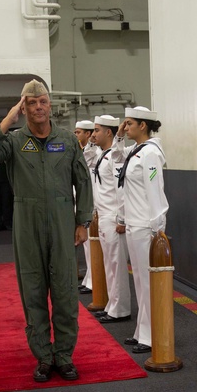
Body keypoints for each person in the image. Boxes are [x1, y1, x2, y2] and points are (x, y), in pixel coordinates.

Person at [0, 79, 93, 383]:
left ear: (49, 104)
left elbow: (82, 181)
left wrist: (82, 221)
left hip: (62, 221)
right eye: (30, 103)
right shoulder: (13, 142)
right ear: (23, 108)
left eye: (42, 101)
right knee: (33, 291)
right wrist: (7, 120)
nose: (37, 107)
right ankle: (43, 355)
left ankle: (64, 355)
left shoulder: (67, 140)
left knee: (66, 291)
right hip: (27, 224)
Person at [118, 106, 168, 354]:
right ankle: (142, 330)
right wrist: (118, 135)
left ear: (143, 125)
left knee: (147, 283)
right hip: (133, 225)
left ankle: (150, 336)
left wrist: (158, 230)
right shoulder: (135, 151)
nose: (125, 127)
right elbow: (115, 156)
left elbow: (155, 192)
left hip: (145, 227)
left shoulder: (150, 154)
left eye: (128, 123)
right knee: (139, 281)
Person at [89, 114, 131, 324]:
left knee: (116, 265)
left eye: (97, 130)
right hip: (103, 214)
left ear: (108, 132)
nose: (93, 134)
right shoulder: (102, 155)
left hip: (113, 216)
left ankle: (120, 309)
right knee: (109, 264)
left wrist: (121, 219)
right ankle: (112, 305)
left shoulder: (115, 157)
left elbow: (120, 188)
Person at [74, 120, 96, 295]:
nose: (76, 135)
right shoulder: (79, 151)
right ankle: (89, 278)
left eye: (78, 132)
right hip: (83, 204)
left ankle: (94, 281)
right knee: (87, 247)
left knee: (93, 248)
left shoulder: (94, 152)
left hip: (96, 205)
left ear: (88, 134)